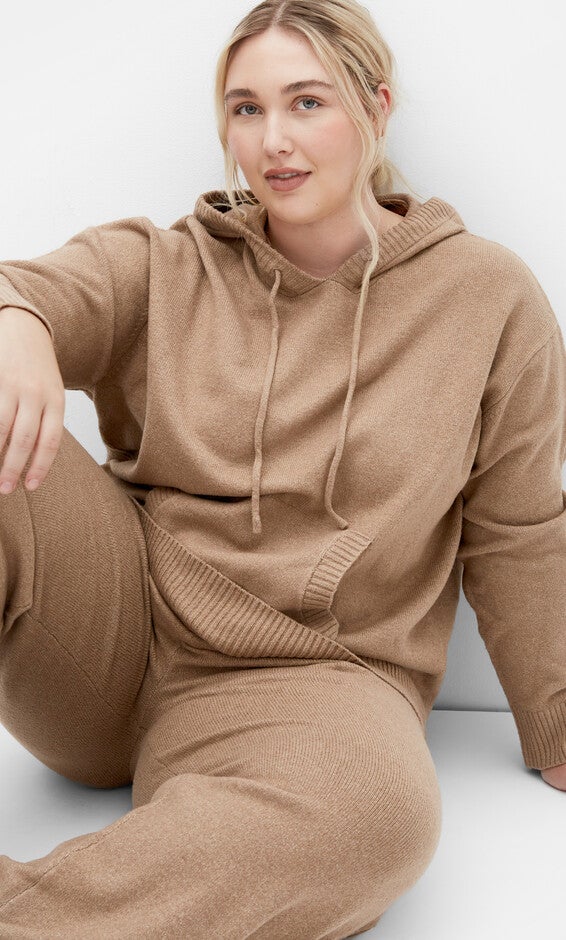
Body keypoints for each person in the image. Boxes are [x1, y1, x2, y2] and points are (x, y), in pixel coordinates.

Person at [0, 0, 564, 935]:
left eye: (307, 102)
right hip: (108, 638)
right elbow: (31, 289)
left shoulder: (487, 299)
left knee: (380, 820)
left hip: (315, 684)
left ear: (376, 107)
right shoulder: (169, 264)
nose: (273, 141)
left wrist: (554, 721)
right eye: (246, 108)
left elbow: (517, 530)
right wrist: (16, 318)